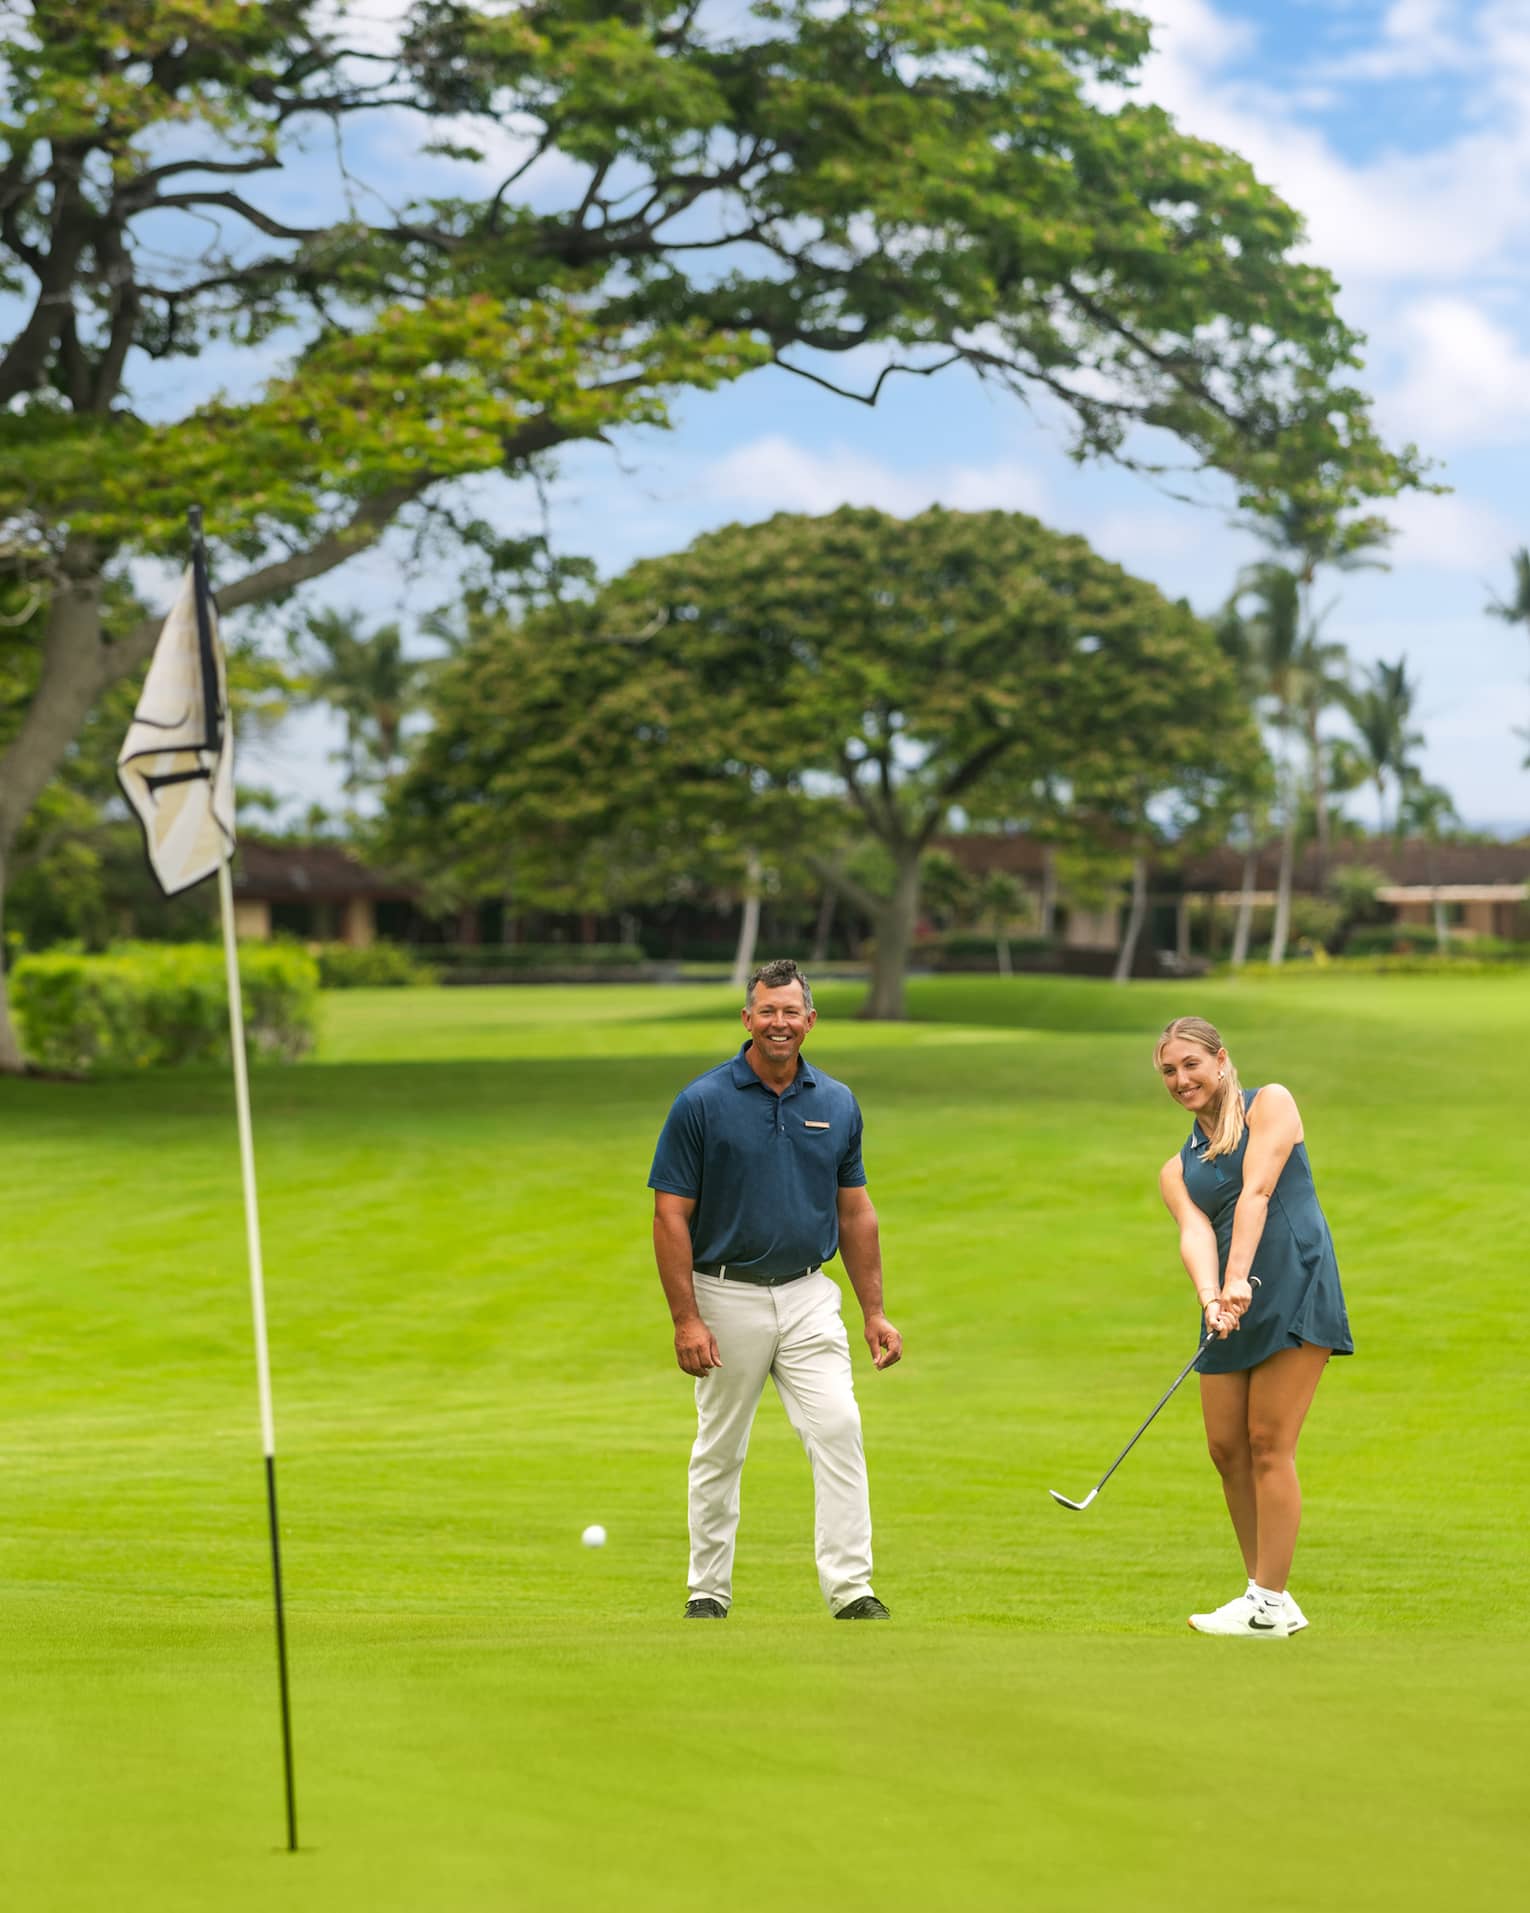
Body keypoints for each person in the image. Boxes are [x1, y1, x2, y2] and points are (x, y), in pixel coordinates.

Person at [648, 958, 903, 1620]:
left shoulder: (836, 1102)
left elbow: (856, 1211)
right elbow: (670, 1213)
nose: (779, 1022)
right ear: (747, 1019)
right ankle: (708, 1589)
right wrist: (686, 1318)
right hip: (724, 1292)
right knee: (721, 1445)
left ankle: (852, 1589)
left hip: (808, 1294)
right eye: (767, 1010)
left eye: (791, 1011)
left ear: (810, 1020)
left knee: (840, 1426)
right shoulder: (702, 1102)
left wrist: (874, 1310)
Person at [1156, 1015, 1353, 1638]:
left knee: (1270, 1443)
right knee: (1226, 1448)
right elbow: (1193, 1231)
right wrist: (1211, 1296)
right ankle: (1264, 1595)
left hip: (1291, 1279)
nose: (1181, 1078)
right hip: (1231, 1302)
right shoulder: (1175, 1168)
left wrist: (1238, 1276)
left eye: (1191, 1064)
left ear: (1220, 1060)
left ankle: (1268, 1601)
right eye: (1168, 1071)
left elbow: (1258, 1192)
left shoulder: (1272, 1103)